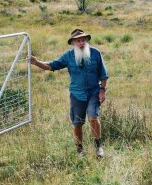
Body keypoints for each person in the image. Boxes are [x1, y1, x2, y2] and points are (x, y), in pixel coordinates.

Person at [29, 29, 108, 158]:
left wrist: (102, 90)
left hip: (93, 92)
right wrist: (37, 62)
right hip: (77, 94)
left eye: (83, 40)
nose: (81, 42)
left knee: (93, 118)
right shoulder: (68, 56)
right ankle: (79, 150)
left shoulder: (95, 53)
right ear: (73, 43)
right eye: (78, 40)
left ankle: (98, 146)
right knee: (77, 123)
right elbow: (51, 66)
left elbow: (103, 74)